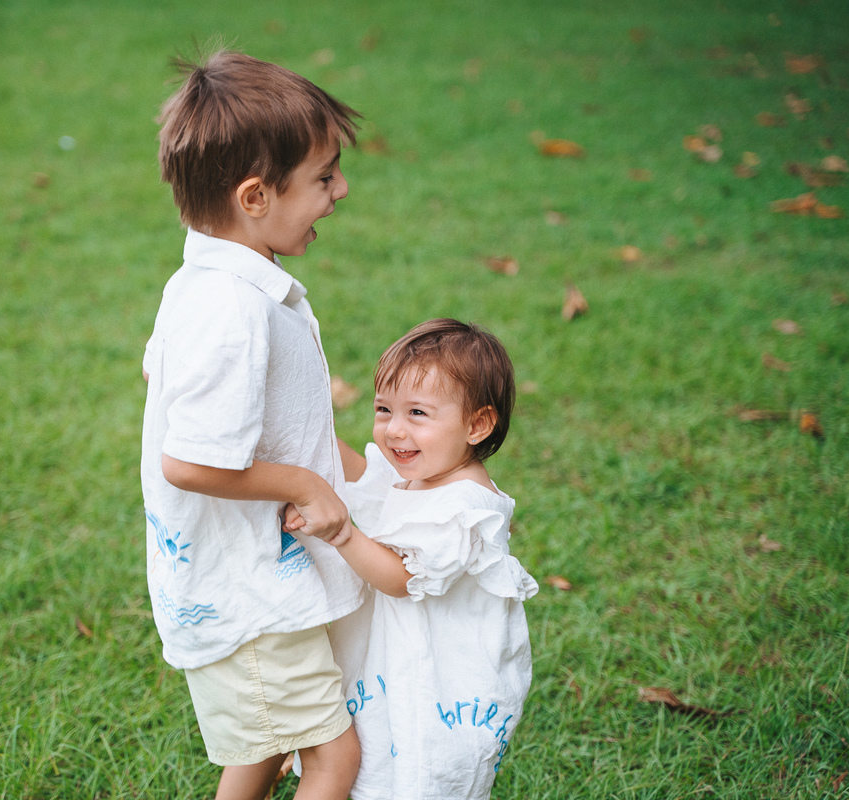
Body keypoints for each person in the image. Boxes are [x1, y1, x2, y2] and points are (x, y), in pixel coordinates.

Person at [140, 50, 365, 800]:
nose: (340, 191)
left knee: (266, 750)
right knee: (332, 759)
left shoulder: (208, 284)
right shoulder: (232, 311)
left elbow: (241, 411)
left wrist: (348, 468)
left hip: (253, 587)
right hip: (248, 600)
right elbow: (190, 460)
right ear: (256, 196)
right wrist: (304, 480)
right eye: (324, 177)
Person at [284, 318, 539, 800]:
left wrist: (342, 531)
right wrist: (297, 426)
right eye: (384, 409)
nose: (394, 430)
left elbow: (401, 578)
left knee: (417, 777)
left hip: (438, 682)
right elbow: (359, 474)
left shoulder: (464, 508)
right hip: (393, 665)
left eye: (417, 413)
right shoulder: (422, 476)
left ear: (477, 424)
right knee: (376, 764)